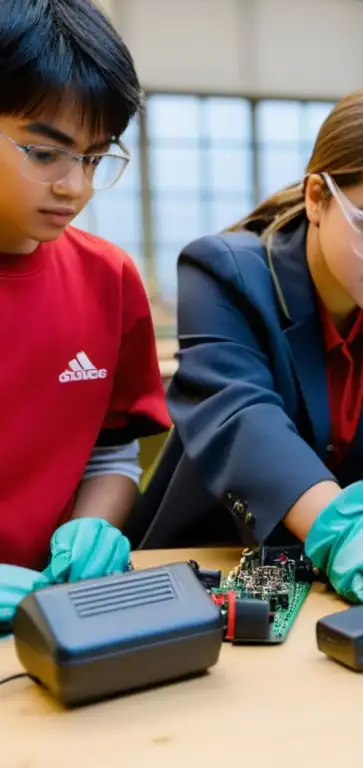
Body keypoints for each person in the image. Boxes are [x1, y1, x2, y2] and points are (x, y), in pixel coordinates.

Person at [139, 81, 363, 629]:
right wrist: (341, 527)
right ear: (317, 198)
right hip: (207, 565)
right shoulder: (224, 271)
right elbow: (240, 417)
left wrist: (346, 531)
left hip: (343, 585)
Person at [0, 0, 171, 628]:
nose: (76, 186)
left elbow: (110, 454)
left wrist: (93, 526)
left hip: (55, 617)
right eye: (46, 154)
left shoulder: (109, 280)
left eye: (96, 157)